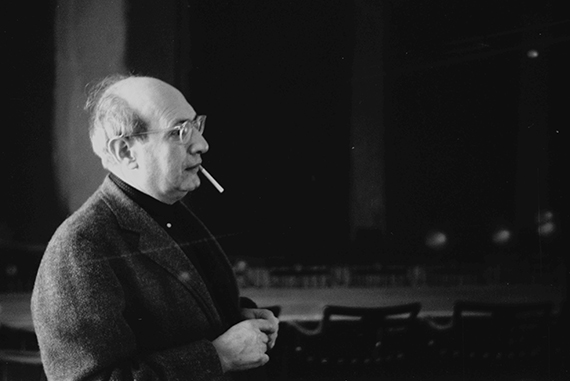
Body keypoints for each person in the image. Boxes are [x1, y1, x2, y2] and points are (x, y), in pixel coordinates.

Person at [31, 75, 279, 380]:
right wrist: (218, 356)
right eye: (179, 131)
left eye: (195, 125)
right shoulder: (81, 246)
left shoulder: (174, 213)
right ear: (125, 151)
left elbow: (171, 317)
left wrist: (234, 317)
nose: (202, 144)